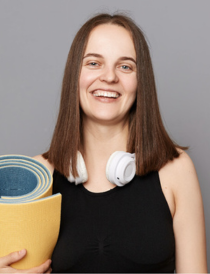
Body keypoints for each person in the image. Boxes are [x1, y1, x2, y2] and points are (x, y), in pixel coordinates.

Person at [0, 13, 207, 273]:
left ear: (140, 81)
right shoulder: (35, 178)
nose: (109, 77)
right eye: (94, 63)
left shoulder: (176, 170)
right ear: (75, 74)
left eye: (125, 66)